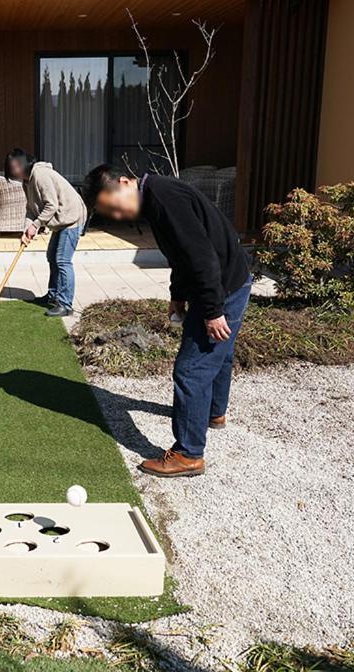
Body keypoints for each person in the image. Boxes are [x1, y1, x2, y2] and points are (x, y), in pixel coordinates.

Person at [83, 165, 252, 477]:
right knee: (220, 354)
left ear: (123, 183)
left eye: (112, 206)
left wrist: (213, 310)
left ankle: (188, 454)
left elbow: (201, 256)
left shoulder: (163, 198)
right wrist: (177, 295)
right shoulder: (156, 197)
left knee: (191, 370)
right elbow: (180, 255)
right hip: (231, 280)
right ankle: (213, 413)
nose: (117, 215)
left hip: (221, 287)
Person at [4, 148, 88, 318]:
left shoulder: (40, 175)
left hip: (71, 217)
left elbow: (52, 205)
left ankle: (65, 304)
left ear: (24, 163)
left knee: (62, 260)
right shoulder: (26, 181)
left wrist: (36, 225)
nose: (13, 170)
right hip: (61, 220)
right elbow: (30, 209)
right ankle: (53, 296)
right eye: (11, 167)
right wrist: (27, 229)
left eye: (16, 166)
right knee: (52, 257)